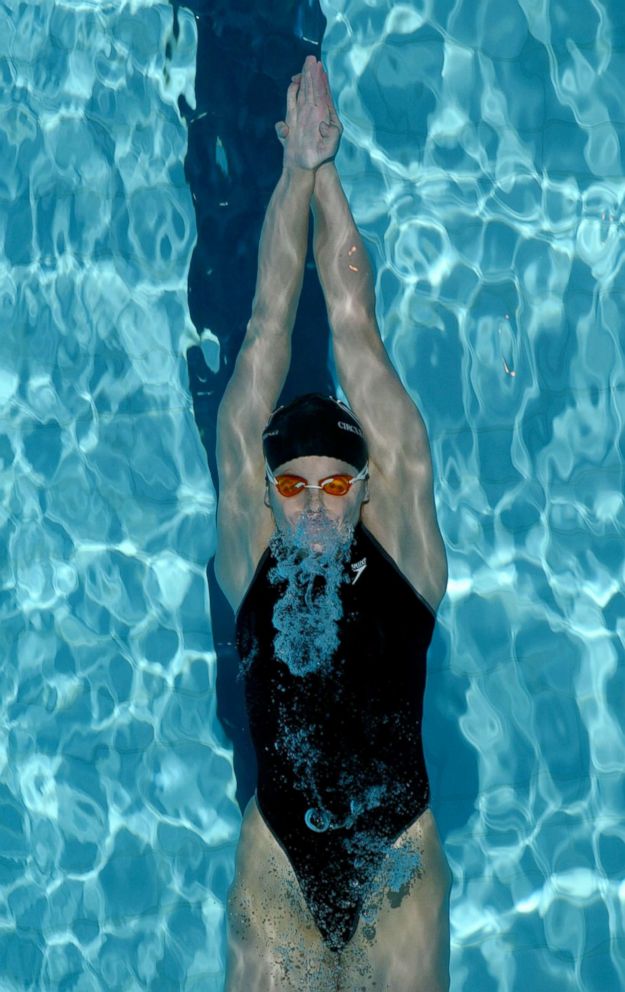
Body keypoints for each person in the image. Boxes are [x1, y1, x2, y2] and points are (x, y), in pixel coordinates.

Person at [215, 55, 451, 992]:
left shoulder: (407, 553)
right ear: (264, 493)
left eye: (333, 485)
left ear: (367, 486)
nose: (313, 508)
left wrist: (328, 176)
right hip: (278, 866)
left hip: (397, 866)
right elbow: (265, 335)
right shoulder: (249, 550)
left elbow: (354, 327)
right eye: (293, 486)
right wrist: (289, 177)